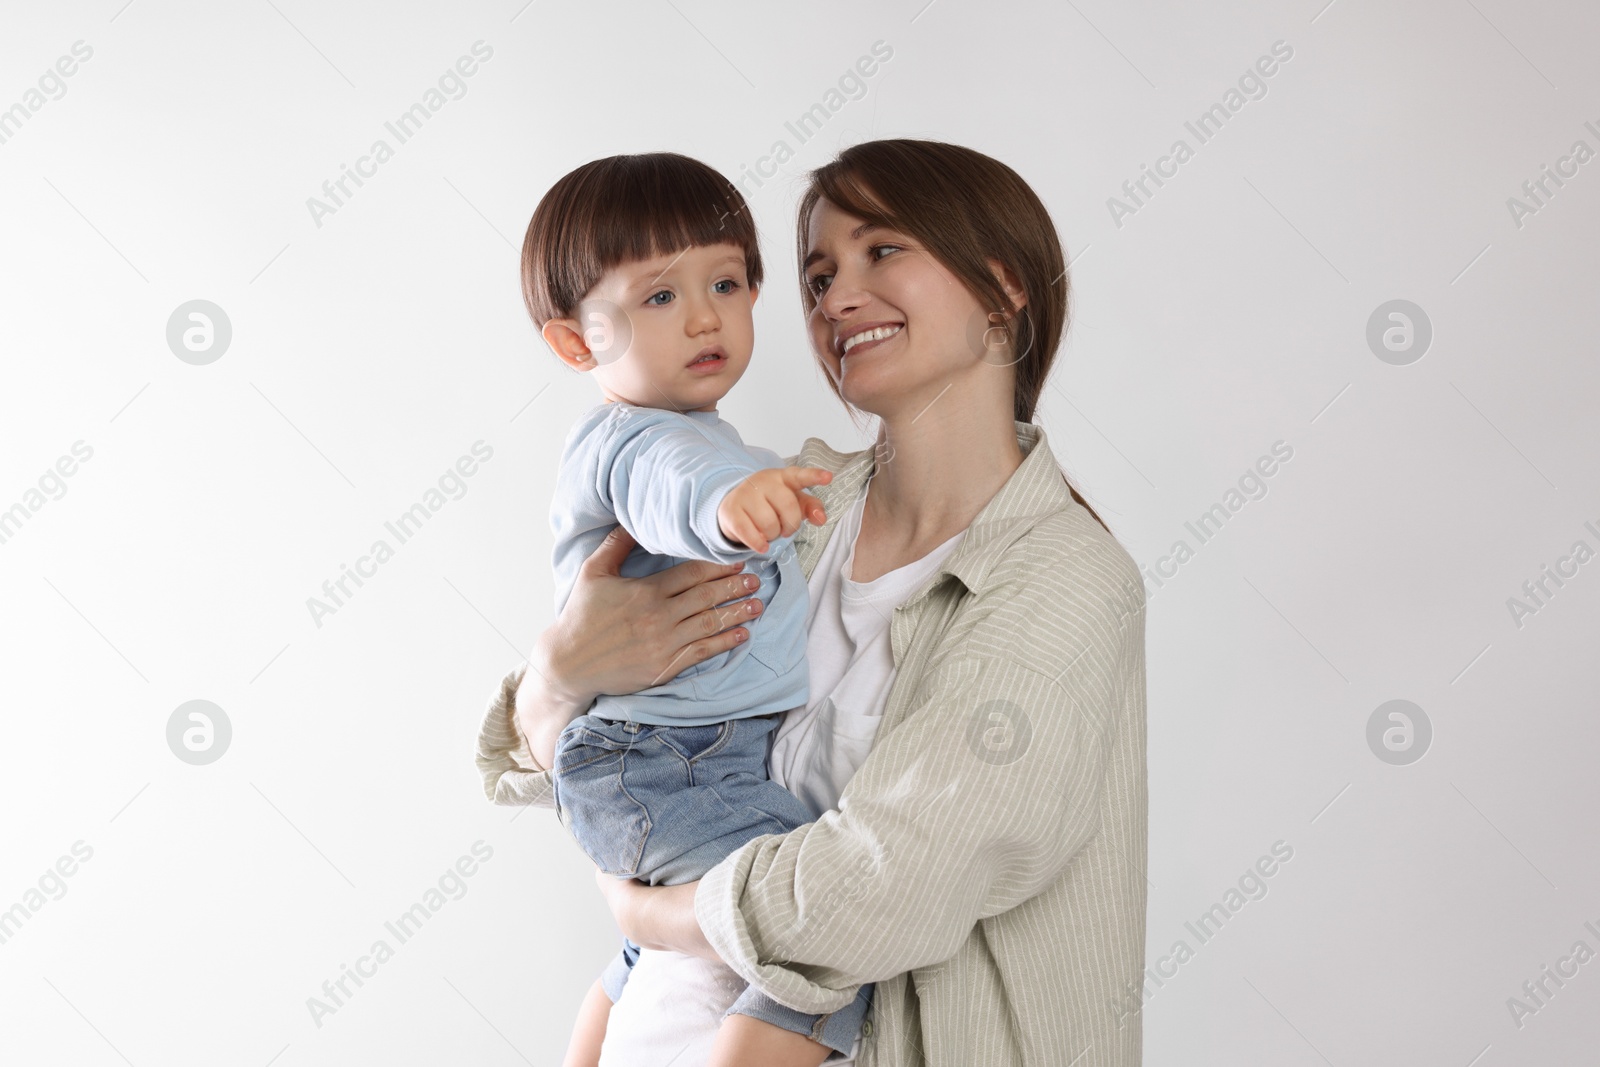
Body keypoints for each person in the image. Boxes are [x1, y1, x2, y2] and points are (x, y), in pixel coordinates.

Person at [477, 139, 1149, 1066]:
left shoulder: (1065, 583)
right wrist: (558, 672)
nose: (834, 299)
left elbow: (882, 886)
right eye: (818, 273)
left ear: (1003, 288)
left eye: (881, 252)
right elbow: (571, 755)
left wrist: (652, 910)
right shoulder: (792, 508)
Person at [518, 152, 875, 1066]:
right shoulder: (642, 443)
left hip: (670, 758)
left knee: (651, 939)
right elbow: (674, 487)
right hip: (666, 760)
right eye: (658, 297)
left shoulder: (699, 437)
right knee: (819, 921)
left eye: (724, 281)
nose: (706, 315)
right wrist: (729, 509)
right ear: (575, 342)